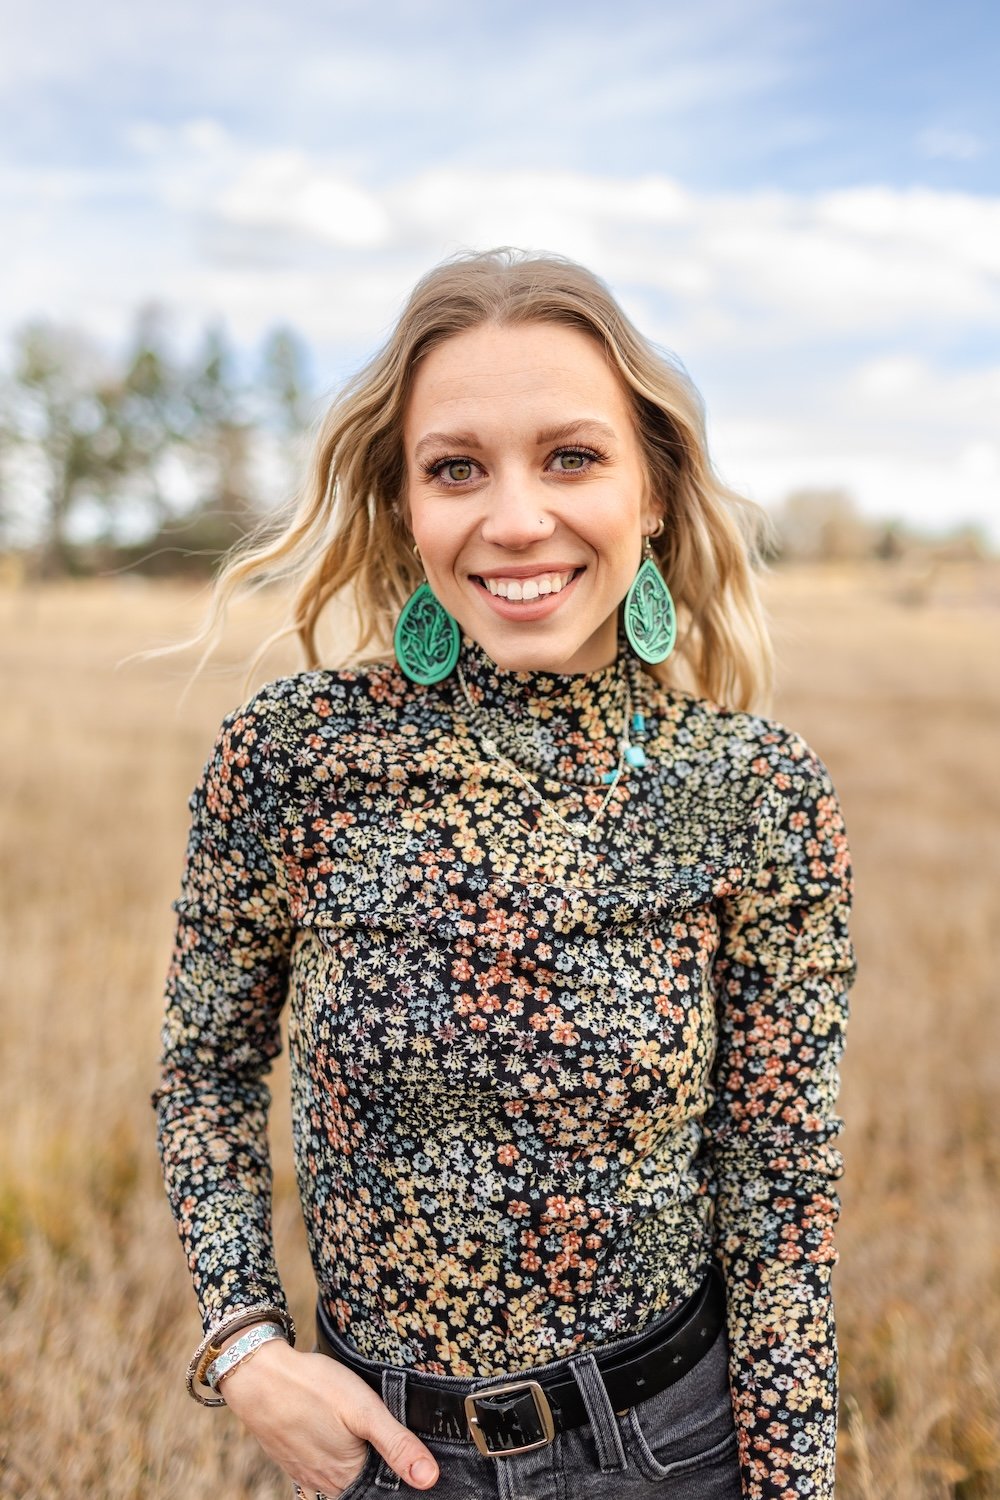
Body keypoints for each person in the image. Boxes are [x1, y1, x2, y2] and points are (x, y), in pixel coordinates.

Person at [152, 248, 855, 1500]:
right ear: (403, 502)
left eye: (571, 458)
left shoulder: (758, 790)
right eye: (456, 468)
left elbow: (778, 1184)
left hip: (673, 1450)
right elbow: (205, 1070)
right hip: (388, 1460)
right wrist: (245, 1342)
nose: (515, 518)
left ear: (651, 492)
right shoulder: (294, 754)